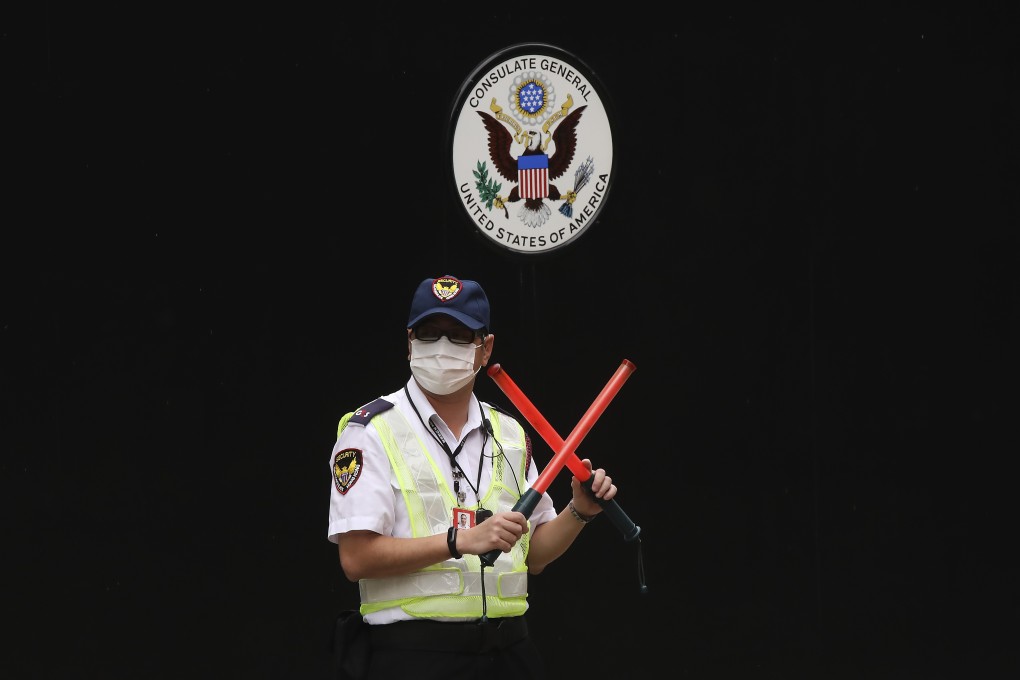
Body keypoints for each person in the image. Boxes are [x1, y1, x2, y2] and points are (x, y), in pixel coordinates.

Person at [326, 274, 618, 680]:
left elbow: (533, 556)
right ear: (409, 342)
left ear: (486, 348)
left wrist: (579, 512)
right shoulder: (371, 430)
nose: (442, 346)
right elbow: (356, 559)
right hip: (414, 656)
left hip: (510, 653)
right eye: (429, 333)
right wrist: (460, 540)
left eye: (459, 335)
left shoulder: (511, 433)